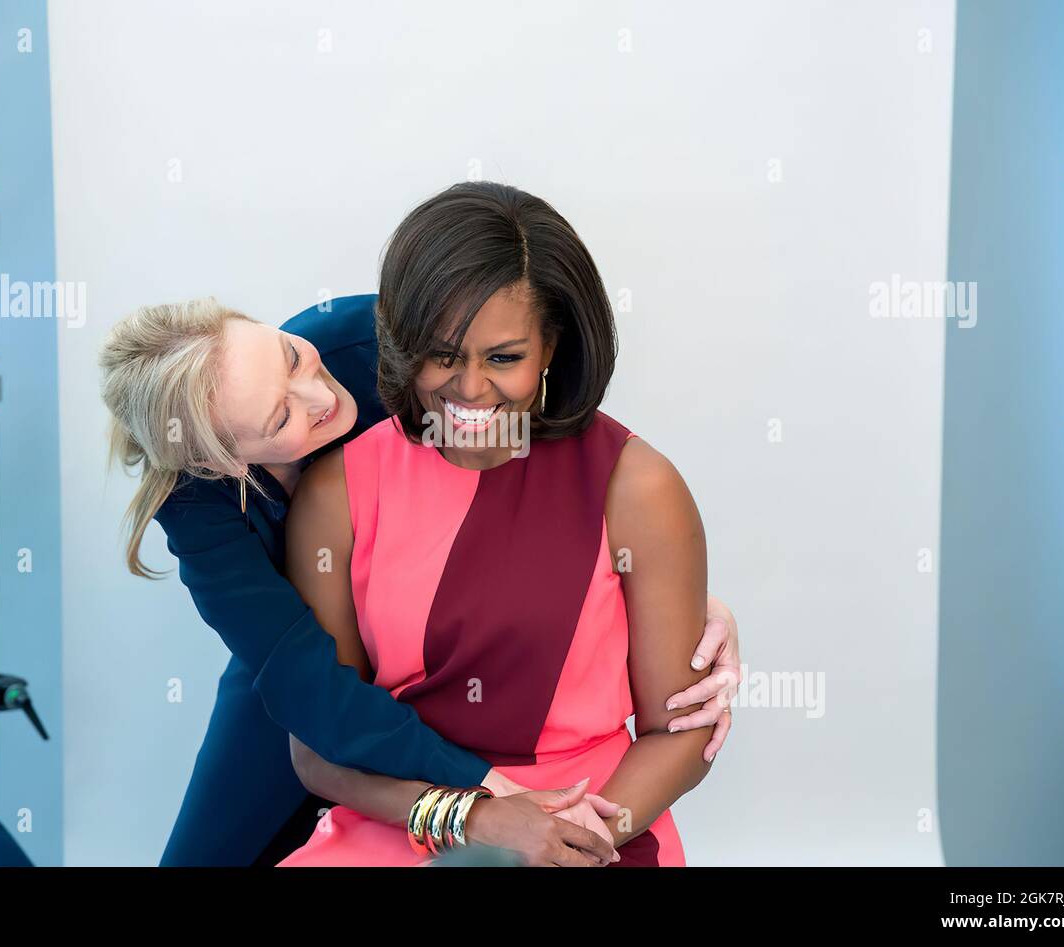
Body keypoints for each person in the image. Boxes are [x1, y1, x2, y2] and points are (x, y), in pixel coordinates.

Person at [97, 189, 740, 867]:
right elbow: (317, 708)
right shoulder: (219, 506)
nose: (320, 398)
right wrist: (485, 811)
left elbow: (569, 511)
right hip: (297, 674)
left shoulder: (372, 341)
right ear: (214, 458)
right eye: (279, 418)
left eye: (291, 360)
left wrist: (683, 602)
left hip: (553, 787)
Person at [276, 181, 710, 866]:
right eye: (442, 355)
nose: (470, 389)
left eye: (503, 358)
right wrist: (475, 822)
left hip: (593, 822)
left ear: (552, 347)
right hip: (404, 822)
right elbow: (319, 748)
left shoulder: (639, 487)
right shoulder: (337, 492)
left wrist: (581, 836)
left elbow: (678, 732)